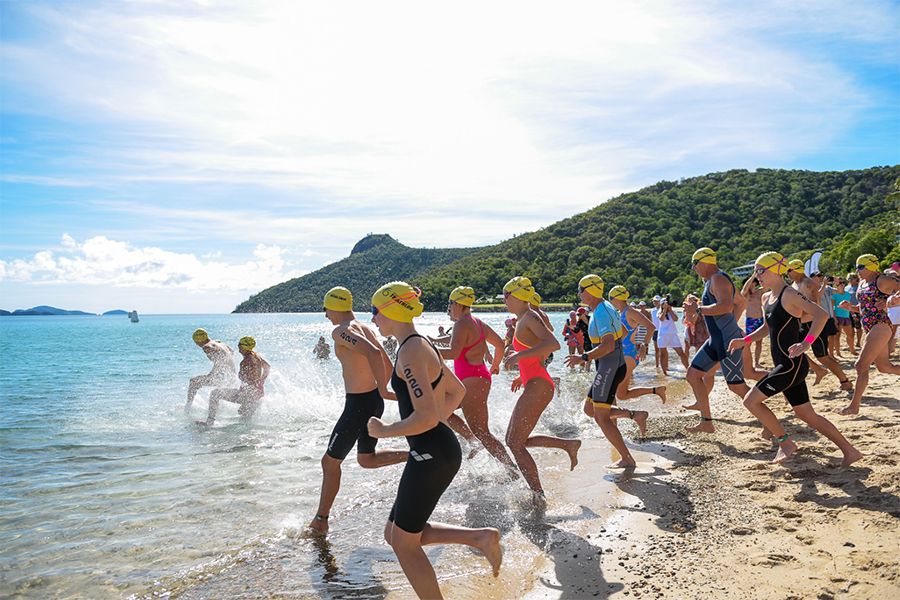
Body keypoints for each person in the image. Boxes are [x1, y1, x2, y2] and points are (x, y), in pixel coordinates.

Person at [366, 281, 502, 598]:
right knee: (394, 534)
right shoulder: (420, 343)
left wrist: (385, 431)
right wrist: (433, 423)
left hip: (431, 454)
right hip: (436, 448)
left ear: (391, 309)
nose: (373, 319)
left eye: (375, 311)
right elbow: (457, 391)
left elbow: (426, 414)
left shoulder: (411, 351)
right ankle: (480, 538)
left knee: (404, 544)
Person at [728, 252, 862, 467]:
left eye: (761, 271)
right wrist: (746, 340)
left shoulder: (789, 294)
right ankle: (850, 451)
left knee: (750, 401)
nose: (757, 275)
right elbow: (767, 327)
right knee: (807, 414)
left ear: (776, 270)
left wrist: (806, 343)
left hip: (791, 364)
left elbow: (821, 314)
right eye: (756, 271)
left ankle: (785, 442)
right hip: (785, 363)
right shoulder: (766, 297)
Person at [308, 287, 408, 535]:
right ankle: (414, 454)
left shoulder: (341, 331)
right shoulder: (364, 327)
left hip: (360, 404)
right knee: (366, 459)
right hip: (371, 400)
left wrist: (384, 389)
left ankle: (321, 520)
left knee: (329, 463)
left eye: (325, 310)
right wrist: (385, 389)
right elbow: (383, 354)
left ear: (333, 306)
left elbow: (374, 353)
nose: (326, 316)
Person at [502, 276, 580, 494]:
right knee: (514, 440)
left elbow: (552, 344)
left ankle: (538, 495)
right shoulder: (523, 318)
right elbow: (540, 351)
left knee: (514, 443)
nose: (505, 300)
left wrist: (518, 357)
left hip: (539, 385)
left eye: (506, 295)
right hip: (535, 381)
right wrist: (523, 374)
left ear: (516, 295)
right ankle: (567, 445)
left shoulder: (529, 317)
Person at [564, 275, 648, 469]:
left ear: (590, 290)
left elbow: (608, 345)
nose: (579, 293)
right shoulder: (604, 309)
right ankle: (635, 415)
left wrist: (583, 357)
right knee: (589, 409)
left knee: (601, 418)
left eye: (580, 289)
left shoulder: (602, 311)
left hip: (609, 368)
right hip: (609, 367)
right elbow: (624, 333)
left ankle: (627, 459)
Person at [439, 286, 519, 476]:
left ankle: (511, 470)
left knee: (482, 432)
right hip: (478, 377)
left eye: (450, 304)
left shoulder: (461, 324)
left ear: (458, 303)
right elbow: (500, 343)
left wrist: (425, 350)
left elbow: (453, 353)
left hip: (472, 381)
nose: (449, 308)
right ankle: (472, 441)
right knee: (440, 408)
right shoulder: (477, 322)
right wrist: (495, 365)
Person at [683, 248, 752, 433]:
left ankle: (771, 423)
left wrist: (698, 310)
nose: (694, 268)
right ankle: (707, 422)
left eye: (694, 264)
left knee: (737, 387)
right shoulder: (712, 281)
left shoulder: (718, 279)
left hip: (727, 340)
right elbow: (741, 302)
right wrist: (732, 323)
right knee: (693, 374)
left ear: (704, 262)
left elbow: (726, 306)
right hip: (716, 339)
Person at [837, 255, 900, 415]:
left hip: (881, 326)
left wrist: (895, 300)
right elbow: (865, 307)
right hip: (870, 327)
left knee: (860, 365)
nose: (857, 270)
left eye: (861, 267)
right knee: (885, 367)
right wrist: (851, 307)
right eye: (857, 266)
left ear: (872, 266)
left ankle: (854, 406)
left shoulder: (882, 280)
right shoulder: (863, 283)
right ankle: (854, 406)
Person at [786, 261, 852, 391]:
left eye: (789, 270)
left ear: (797, 270)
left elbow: (815, 307)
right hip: (801, 323)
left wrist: (798, 316)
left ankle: (845, 381)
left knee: (823, 356)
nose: (786, 273)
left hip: (814, 324)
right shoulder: (793, 284)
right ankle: (818, 370)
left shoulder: (808, 283)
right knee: (792, 351)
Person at [608, 285, 667, 402]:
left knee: (610, 386)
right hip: (624, 354)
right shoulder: (621, 312)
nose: (610, 301)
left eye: (610, 298)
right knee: (621, 394)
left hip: (629, 354)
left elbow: (651, 327)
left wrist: (644, 346)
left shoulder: (630, 311)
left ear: (617, 298)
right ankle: (657, 390)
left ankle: (610, 415)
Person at [196, 336, 269, 426]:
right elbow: (267, 367)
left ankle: (209, 422)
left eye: (240, 345)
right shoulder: (257, 356)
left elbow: (243, 377)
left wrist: (241, 376)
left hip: (246, 395)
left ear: (245, 347)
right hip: (257, 393)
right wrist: (261, 381)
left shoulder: (246, 361)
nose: (238, 347)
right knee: (245, 423)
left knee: (215, 394)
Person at [186, 328, 236, 409]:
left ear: (199, 340)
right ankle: (220, 407)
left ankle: (187, 409)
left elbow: (219, 361)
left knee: (193, 382)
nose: (196, 344)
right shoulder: (219, 343)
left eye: (196, 342)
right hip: (231, 376)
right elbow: (232, 352)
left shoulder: (207, 347)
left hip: (224, 377)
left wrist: (212, 375)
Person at [656, 296, 689, 375]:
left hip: (673, 335)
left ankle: (688, 369)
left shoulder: (672, 311)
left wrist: (670, 310)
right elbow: (661, 319)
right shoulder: (659, 311)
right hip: (663, 335)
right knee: (663, 354)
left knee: (681, 353)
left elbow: (675, 319)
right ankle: (664, 373)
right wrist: (664, 309)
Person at [741, 276, 766, 370]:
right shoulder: (746, 294)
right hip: (750, 321)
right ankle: (745, 363)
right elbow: (744, 289)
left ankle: (756, 363)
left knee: (759, 343)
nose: (752, 284)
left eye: (754, 282)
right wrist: (752, 277)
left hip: (760, 319)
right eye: (751, 282)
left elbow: (767, 286)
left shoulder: (759, 292)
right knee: (748, 343)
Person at [831, 278, 853, 358]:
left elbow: (850, 306)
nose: (842, 284)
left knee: (850, 335)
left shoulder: (848, 294)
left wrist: (853, 315)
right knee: (837, 335)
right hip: (838, 316)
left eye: (843, 283)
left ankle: (852, 350)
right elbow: (832, 307)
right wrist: (834, 318)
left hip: (846, 316)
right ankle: (838, 352)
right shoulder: (834, 295)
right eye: (840, 283)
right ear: (836, 286)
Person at [682, 294, 709, 359]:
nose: (693, 302)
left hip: (702, 329)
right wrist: (697, 311)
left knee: (701, 347)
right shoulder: (687, 309)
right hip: (691, 329)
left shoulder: (700, 307)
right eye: (691, 300)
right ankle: (687, 364)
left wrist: (700, 308)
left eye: (695, 300)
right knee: (687, 347)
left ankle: (700, 363)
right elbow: (692, 321)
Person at [845, 272, 864, 353]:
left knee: (858, 327)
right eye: (849, 278)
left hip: (857, 310)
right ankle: (851, 345)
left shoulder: (860, 287)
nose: (850, 279)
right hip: (848, 310)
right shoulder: (846, 288)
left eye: (852, 278)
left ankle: (858, 342)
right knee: (850, 328)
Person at [650, 296, 662, 369]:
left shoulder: (663, 310)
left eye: (657, 301)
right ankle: (657, 365)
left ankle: (663, 365)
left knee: (663, 349)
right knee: (656, 350)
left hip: (662, 331)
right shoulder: (652, 311)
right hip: (655, 331)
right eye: (654, 301)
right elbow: (652, 321)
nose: (656, 302)